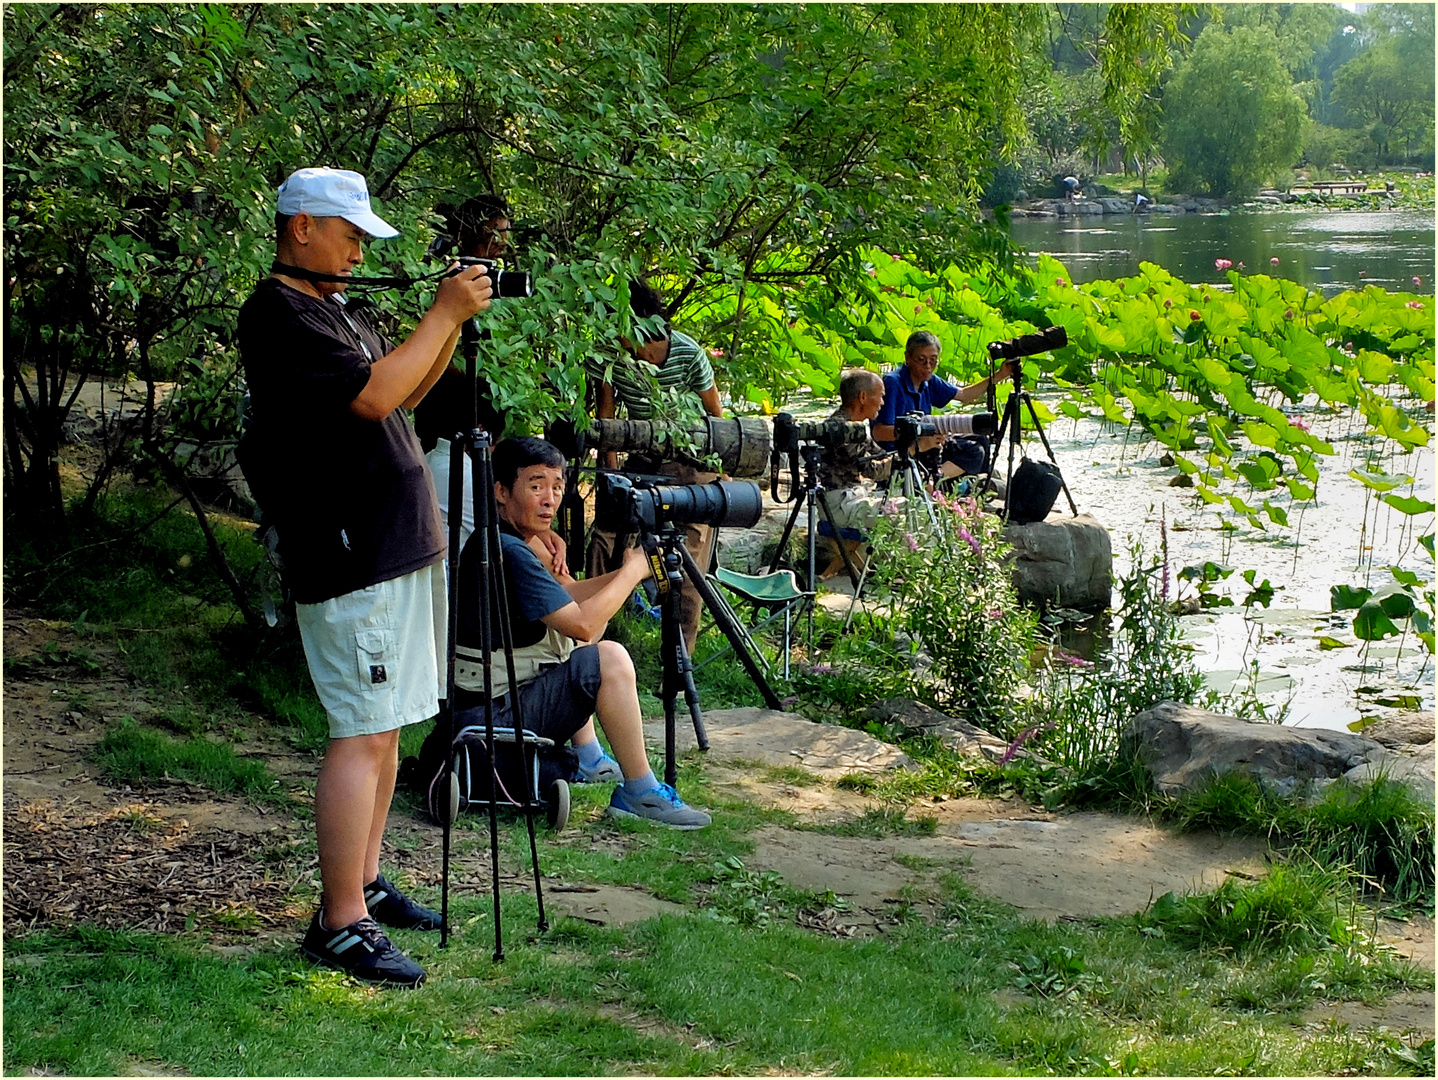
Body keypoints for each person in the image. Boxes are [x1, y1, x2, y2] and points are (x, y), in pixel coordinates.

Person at [237, 167, 493, 987]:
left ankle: (366, 881)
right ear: (301, 226)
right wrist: (443, 310)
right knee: (363, 727)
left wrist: (451, 325)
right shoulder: (278, 313)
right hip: (350, 553)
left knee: (388, 725)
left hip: (392, 543)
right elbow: (373, 397)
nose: (357, 250)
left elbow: (408, 390)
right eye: (348, 234)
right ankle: (338, 920)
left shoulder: (333, 306)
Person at [452, 437, 711, 828]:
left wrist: (628, 571)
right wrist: (632, 573)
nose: (550, 499)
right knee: (608, 658)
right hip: (492, 717)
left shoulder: (503, 540)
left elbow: (569, 597)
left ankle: (588, 760)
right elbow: (584, 625)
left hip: (482, 706)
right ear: (501, 492)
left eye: (557, 486)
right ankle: (639, 793)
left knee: (580, 654)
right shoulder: (512, 551)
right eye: (536, 485)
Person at [585, 280, 724, 653]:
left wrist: (722, 474)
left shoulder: (687, 353)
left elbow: (715, 416)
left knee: (689, 558)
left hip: (692, 461)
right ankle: (585, 638)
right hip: (642, 458)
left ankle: (680, 658)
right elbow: (607, 414)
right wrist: (610, 475)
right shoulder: (609, 354)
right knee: (605, 539)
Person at [413, 194, 513, 550]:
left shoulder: (496, 279)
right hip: (442, 406)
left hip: (483, 407)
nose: (501, 243)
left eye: (506, 234)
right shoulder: (440, 271)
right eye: (494, 233)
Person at [871, 331, 1013, 479]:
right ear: (908, 357)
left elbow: (964, 395)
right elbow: (879, 431)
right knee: (974, 451)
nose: (928, 366)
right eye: (921, 360)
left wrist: (1000, 374)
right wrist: (919, 434)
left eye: (933, 361)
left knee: (981, 439)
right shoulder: (893, 382)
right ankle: (932, 481)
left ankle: (970, 482)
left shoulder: (929, 380)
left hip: (925, 443)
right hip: (903, 450)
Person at [814, 369, 896, 579]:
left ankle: (861, 569)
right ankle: (903, 570)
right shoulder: (841, 430)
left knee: (906, 505)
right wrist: (910, 452)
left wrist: (908, 445)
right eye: (881, 395)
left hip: (852, 499)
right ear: (863, 397)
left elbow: (880, 455)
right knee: (905, 512)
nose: (882, 403)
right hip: (840, 506)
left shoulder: (856, 426)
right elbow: (874, 470)